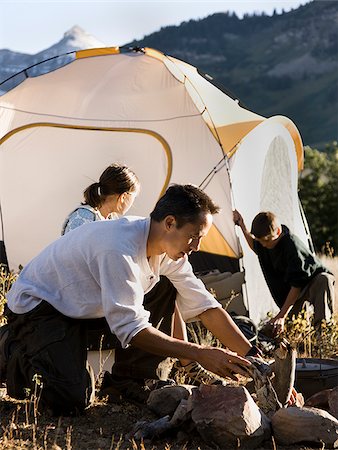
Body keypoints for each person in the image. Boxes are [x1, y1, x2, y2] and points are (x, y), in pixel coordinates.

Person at [3, 185, 255, 416]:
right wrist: (199, 353)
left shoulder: (169, 253)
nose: (197, 247)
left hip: (84, 310)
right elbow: (131, 330)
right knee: (70, 400)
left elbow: (207, 307)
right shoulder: (118, 248)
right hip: (39, 308)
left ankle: (131, 381)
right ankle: (10, 347)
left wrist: (255, 361)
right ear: (170, 223)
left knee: (164, 285)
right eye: (194, 236)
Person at [62, 164, 219, 387]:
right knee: (156, 288)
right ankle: (182, 361)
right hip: (87, 301)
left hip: (106, 293)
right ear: (124, 197)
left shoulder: (109, 222)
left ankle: (184, 363)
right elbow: (79, 266)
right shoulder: (85, 219)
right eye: (133, 197)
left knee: (165, 285)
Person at [233, 210, 335, 335]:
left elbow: (296, 284)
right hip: (292, 295)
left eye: (266, 241)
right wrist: (242, 225)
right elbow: (255, 245)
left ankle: (323, 334)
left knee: (323, 279)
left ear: (278, 232)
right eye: (261, 241)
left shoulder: (291, 245)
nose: (263, 245)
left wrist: (281, 315)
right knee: (278, 331)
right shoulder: (266, 242)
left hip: (309, 284)